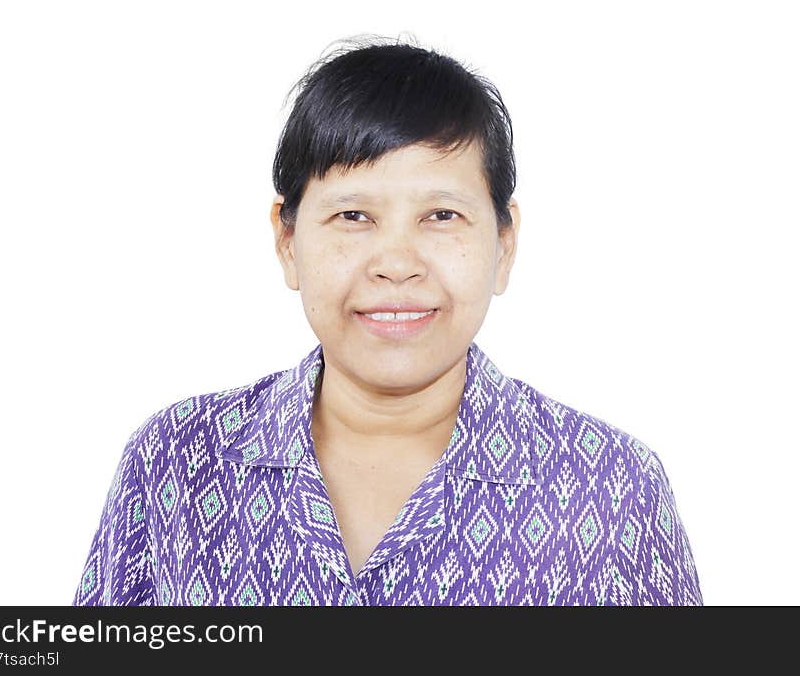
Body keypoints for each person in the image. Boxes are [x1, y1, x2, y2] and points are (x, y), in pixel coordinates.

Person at [71, 35, 703, 606]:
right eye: (353, 216)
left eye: (441, 216)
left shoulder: (612, 489)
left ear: (505, 245)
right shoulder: (179, 460)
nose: (397, 264)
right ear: (287, 242)